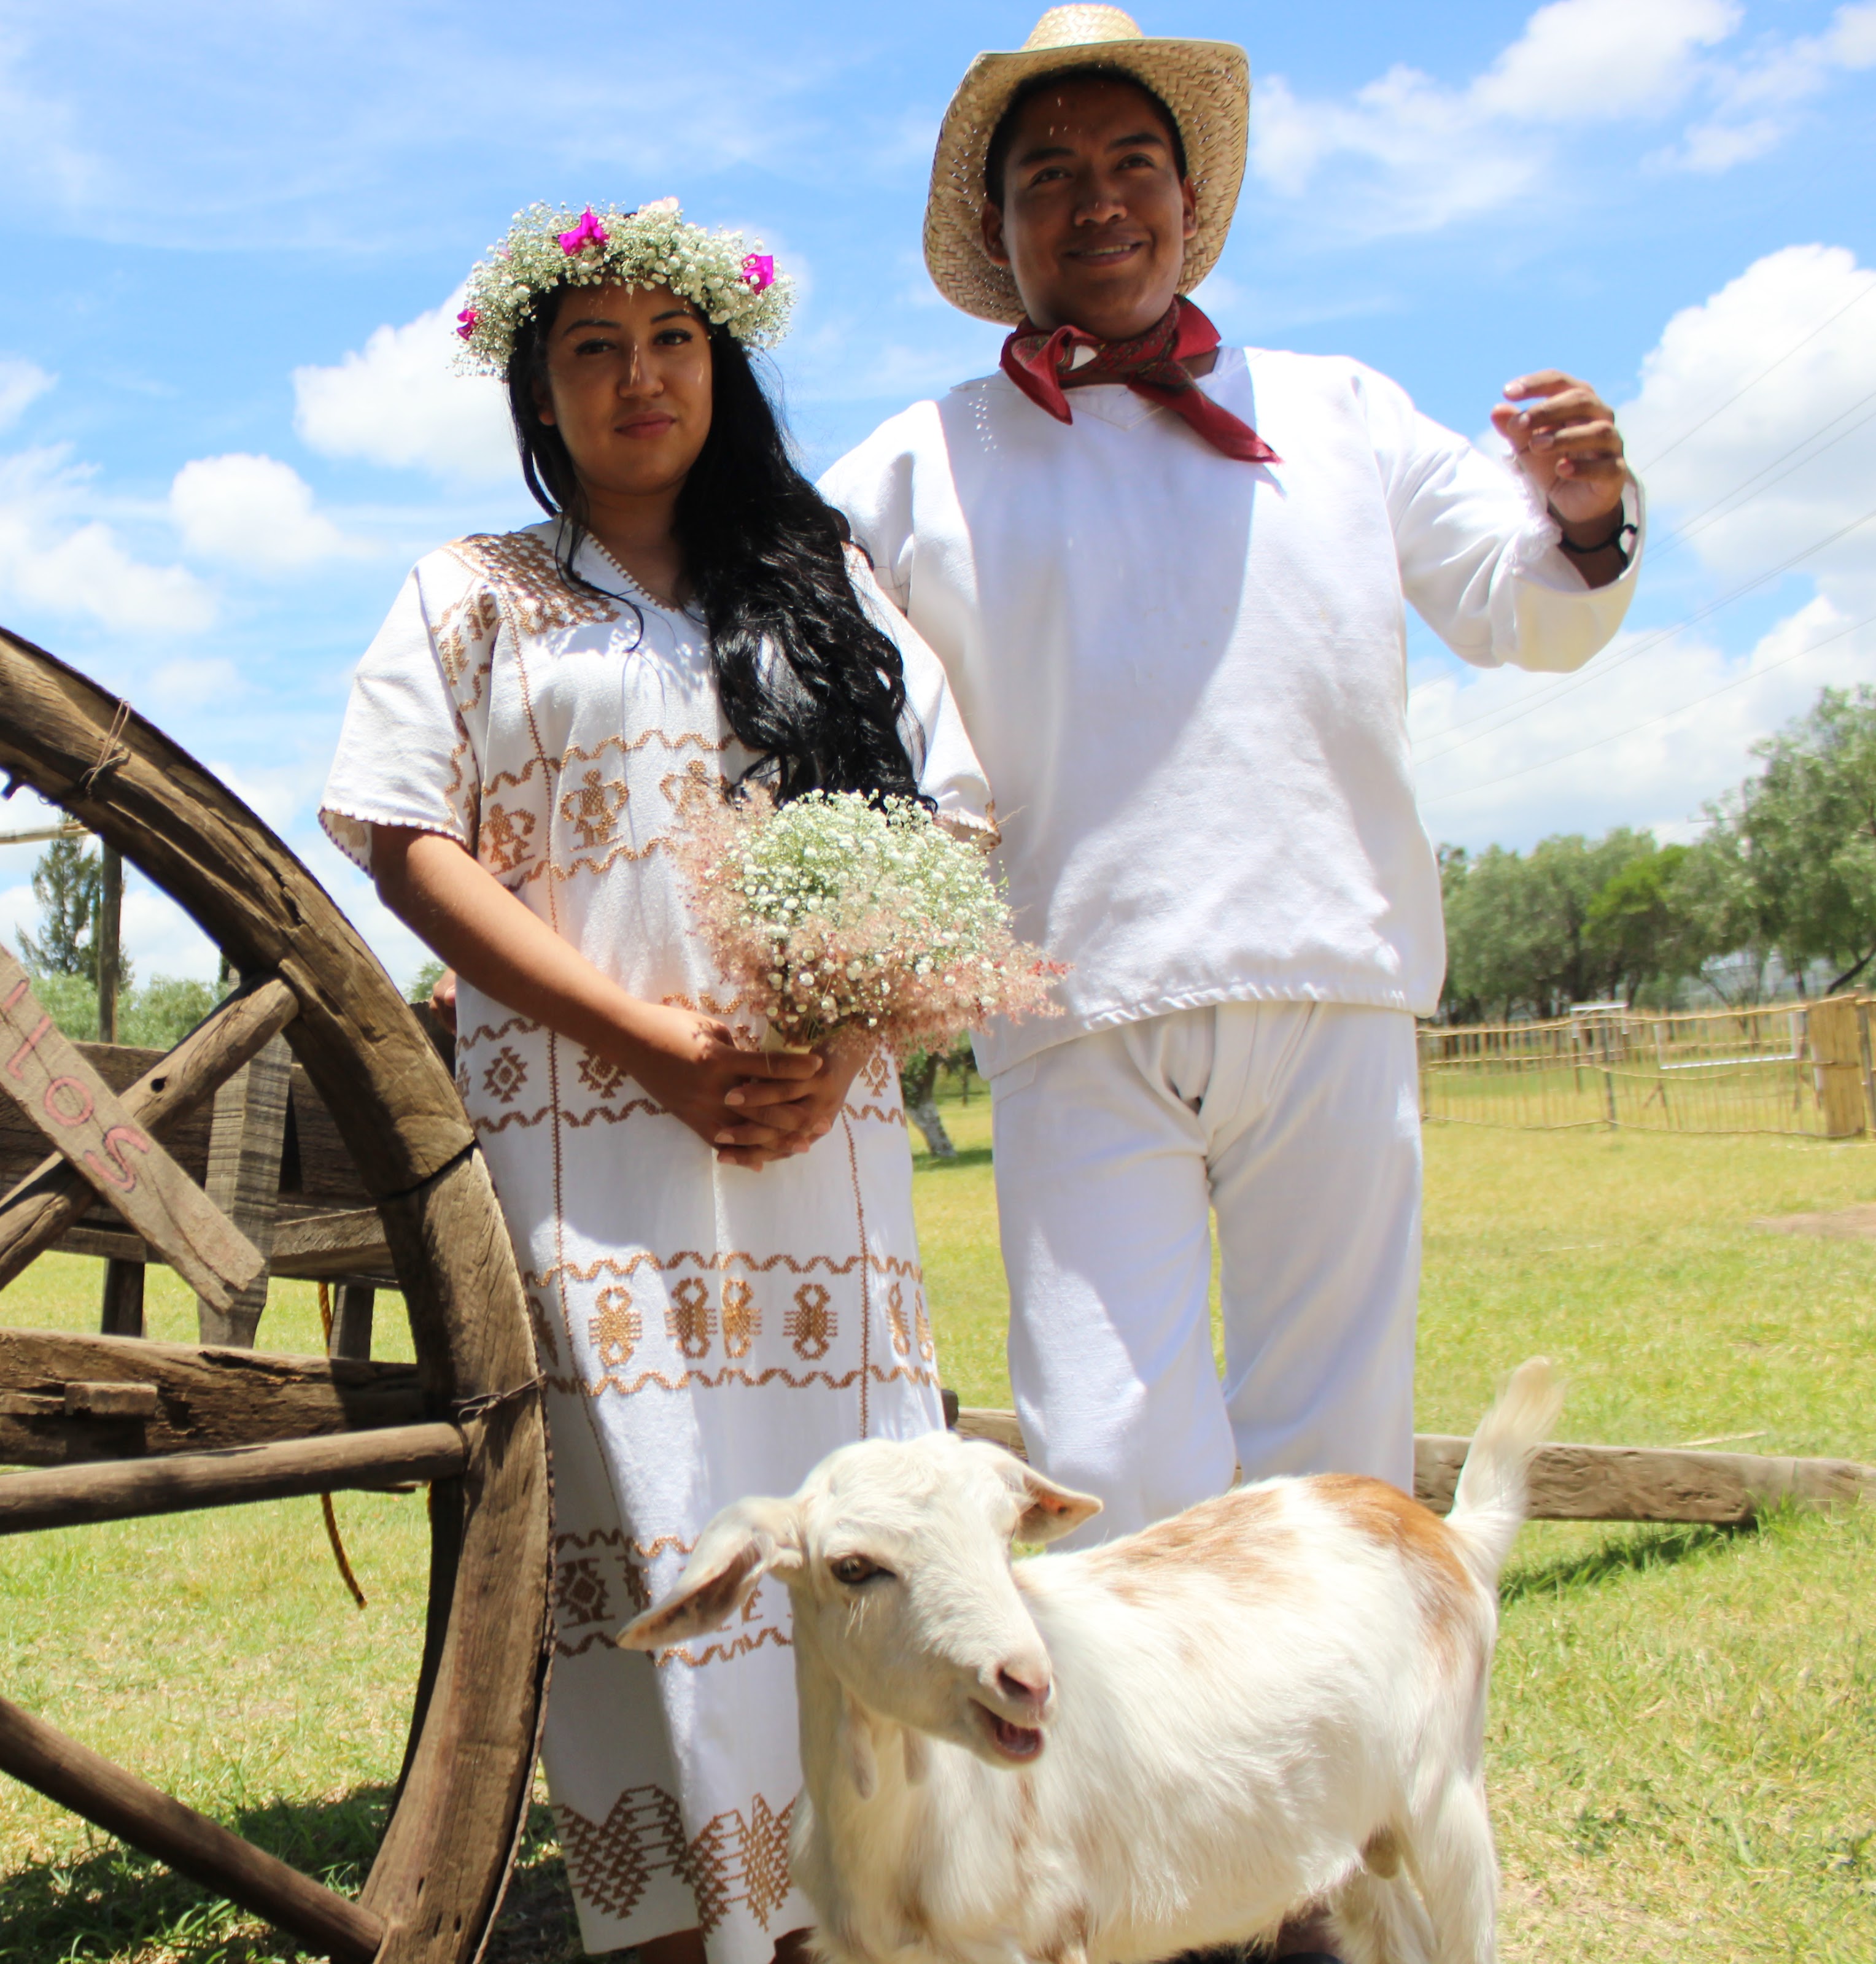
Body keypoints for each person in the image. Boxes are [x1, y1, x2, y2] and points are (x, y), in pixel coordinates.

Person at [820, 13, 1635, 1546]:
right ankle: (1155, 1787)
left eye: (1136, 162)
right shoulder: (911, 468)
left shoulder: (1338, 409)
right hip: (1071, 998)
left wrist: (1589, 516)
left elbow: (1523, 603)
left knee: (1338, 1442)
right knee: (1111, 1451)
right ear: (999, 232)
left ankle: (1331, 1787)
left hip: (1327, 966)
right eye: (1049, 172)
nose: (1100, 200)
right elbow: (802, 691)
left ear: (1193, 203)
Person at [320, 201, 991, 1964]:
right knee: (646, 1529)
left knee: (856, 1531)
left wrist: (842, 1038)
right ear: (539, 390)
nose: (637, 379)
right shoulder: (469, 593)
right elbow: (405, 836)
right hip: (583, 1162)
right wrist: (647, 1045)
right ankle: (684, 1938)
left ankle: (875, 1917)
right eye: (592, 349)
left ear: (724, 365)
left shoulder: (829, 590)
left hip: (818, 1169)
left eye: (671, 343)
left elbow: (956, 816)